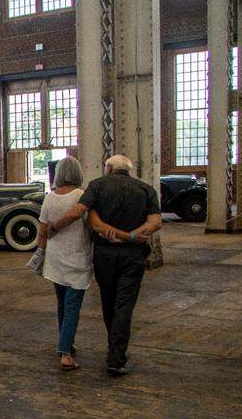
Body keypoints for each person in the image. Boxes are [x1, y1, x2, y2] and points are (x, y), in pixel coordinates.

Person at [49, 155, 162, 376]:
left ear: (109, 169)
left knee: (109, 303)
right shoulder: (146, 189)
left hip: (105, 255)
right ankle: (116, 357)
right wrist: (130, 236)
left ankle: (114, 348)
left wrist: (53, 228)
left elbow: (87, 217)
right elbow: (155, 222)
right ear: (129, 170)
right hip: (133, 256)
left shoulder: (97, 186)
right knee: (124, 306)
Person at [36, 156, 92, 371]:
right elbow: (91, 225)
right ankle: (66, 354)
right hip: (77, 258)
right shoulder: (82, 196)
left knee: (62, 304)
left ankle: (66, 342)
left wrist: (39, 255)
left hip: (55, 259)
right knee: (73, 307)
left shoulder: (50, 197)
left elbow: (43, 230)